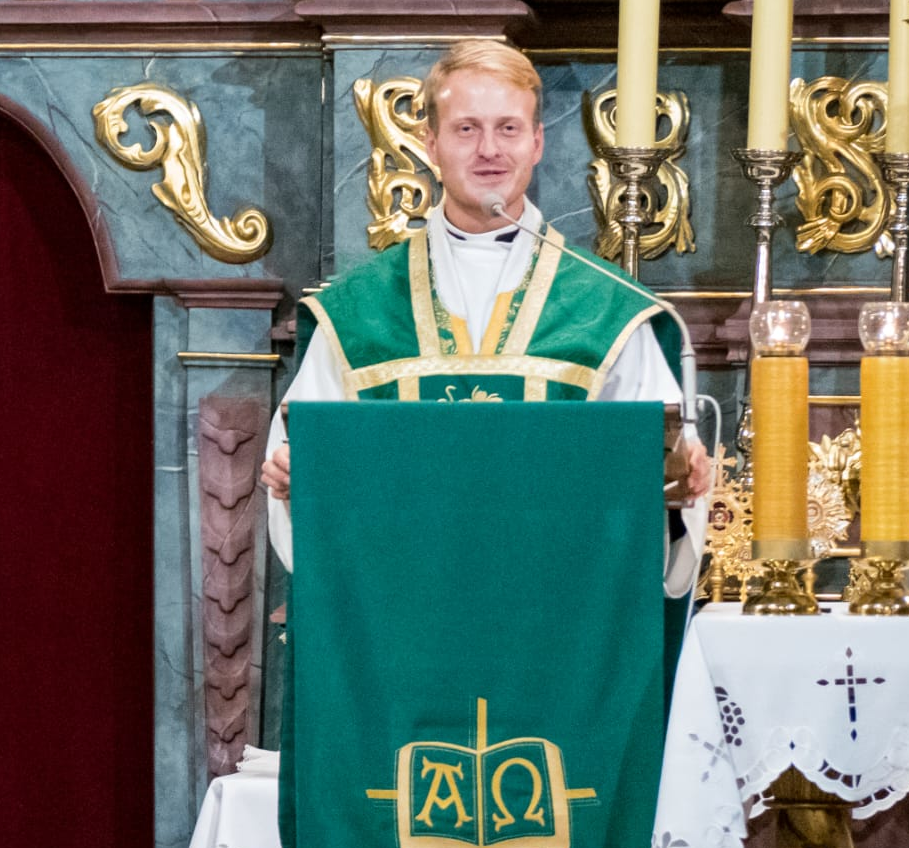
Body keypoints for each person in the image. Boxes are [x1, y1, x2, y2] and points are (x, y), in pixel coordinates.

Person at [261, 38, 712, 594]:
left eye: (508, 128)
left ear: (537, 142)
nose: (489, 150)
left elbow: (661, 480)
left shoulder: (607, 306)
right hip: (403, 607)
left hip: (561, 609)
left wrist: (682, 488)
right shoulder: (358, 312)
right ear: (431, 143)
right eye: (466, 129)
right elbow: (301, 469)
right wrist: (291, 480)